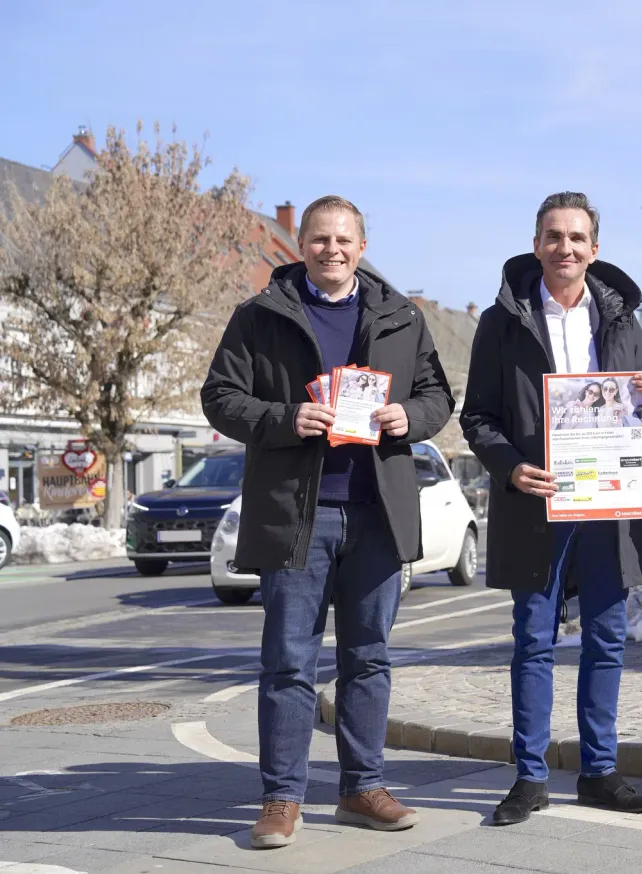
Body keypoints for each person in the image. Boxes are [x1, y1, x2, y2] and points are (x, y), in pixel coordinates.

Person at [201, 195, 454, 849]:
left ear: (361, 246)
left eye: (343, 240)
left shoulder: (401, 317)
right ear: (300, 246)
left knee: (368, 659)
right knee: (288, 662)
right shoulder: (260, 316)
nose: (331, 250)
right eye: (319, 239)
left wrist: (408, 418)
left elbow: (436, 397)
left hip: (378, 510)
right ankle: (282, 800)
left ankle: (361, 789)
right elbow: (220, 397)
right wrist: (286, 419)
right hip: (297, 516)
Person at [461, 192, 642, 826]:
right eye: (554, 237)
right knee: (533, 640)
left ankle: (599, 771)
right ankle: (529, 775)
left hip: (608, 506)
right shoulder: (503, 321)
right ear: (536, 245)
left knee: (607, 639)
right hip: (537, 503)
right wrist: (509, 467)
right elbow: (477, 417)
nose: (566, 249)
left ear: (595, 249)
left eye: (577, 238)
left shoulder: (621, 320)